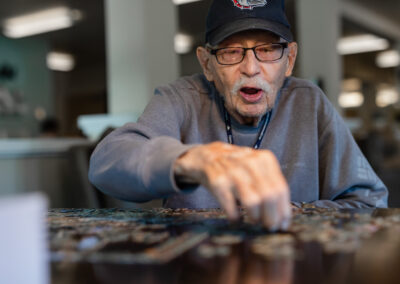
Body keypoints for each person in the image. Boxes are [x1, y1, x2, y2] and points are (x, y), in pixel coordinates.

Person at [89, 0, 388, 230]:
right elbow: (106, 162)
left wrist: (298, 211)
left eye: (269, 50)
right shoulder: (180, 98)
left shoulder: (309, 103)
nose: (250, 68)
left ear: (289, 59)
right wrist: (191, 160)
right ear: (207, 64)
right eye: (231, 52)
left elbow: (370, 203)